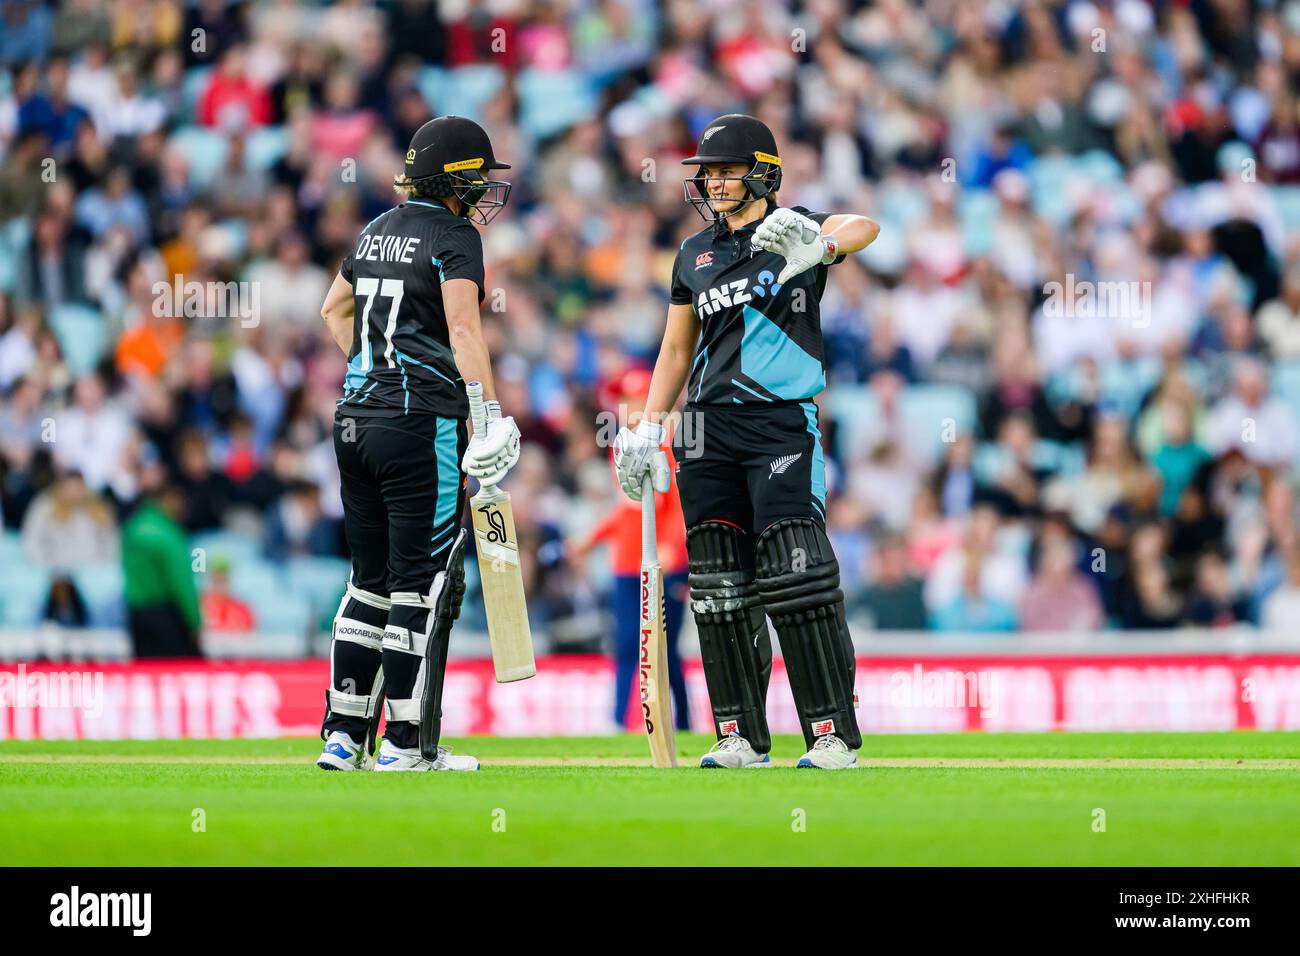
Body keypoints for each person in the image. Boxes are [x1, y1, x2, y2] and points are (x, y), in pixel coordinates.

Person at [614, 114, 880, 769]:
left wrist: (822, 250)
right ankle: (738, 733)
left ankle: (830, 734)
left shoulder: (794, 229)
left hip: (780, 423)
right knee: (717, 587)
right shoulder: (692, 255)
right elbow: (676, 347)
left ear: (762, 172)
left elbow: (863, 227)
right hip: (705, 429)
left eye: (727, 171)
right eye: (708, 172)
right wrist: (648, 427)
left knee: (798, 575)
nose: (713, 182)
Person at [315, 115, 519, 773]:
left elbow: (332, 311)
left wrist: (376, 369)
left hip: (355, 421)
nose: (485, 188)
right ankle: (403, 745)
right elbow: (463, 327)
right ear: (455, 179)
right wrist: (485, 414)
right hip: (420, 424)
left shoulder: (375, 228)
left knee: (366, 581)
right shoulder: (454, 233)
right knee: (419, 585)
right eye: (478, 177)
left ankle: (344, 738)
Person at [572, 368, 690, 732]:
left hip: (664, 561)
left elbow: (679, 504)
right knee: (626, 642)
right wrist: (592, 539)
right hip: (627, 560)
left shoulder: (669, 443)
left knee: (665, 649)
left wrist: (672, 547)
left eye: (637, 398)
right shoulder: (621, 449)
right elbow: (629, 511)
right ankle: (618, 720)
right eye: (626, 399)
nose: (630, 406)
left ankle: (683, 722)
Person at [121, 485, 202, 658]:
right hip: (166, 615)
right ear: (169, 500)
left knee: (145, 674)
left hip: (136, 613)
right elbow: (182, 582)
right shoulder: (169, 535)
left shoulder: (132, 528)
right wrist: (195, 622)